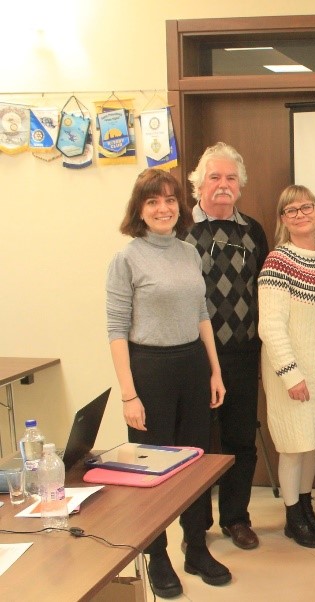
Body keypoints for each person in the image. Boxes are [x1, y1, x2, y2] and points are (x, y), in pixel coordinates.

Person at [106, 169, 231, 598]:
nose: (163, 208)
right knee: (154, 468)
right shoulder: (127, 258)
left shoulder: (187, 252)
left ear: (180, 205)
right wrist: (129, 394)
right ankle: (156, 555)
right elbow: (117, 328)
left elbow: (201, 315)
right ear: (139, 210)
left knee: (195, 462)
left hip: (192, 366)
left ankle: (195, 546)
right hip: (150, 370)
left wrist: (214, 371)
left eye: (170, 200)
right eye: (153, 202)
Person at [183, 142, 269, 550]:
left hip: (241, 352)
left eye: (230, 178)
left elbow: (262, 290)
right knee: (195, 442)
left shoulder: (253, 231)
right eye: (214, 177)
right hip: (193, 354)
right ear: (199, 183)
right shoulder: (180, 230)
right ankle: (195, 524)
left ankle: (236, 518)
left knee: (240, 439)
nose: (222, 185)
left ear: (240, 186)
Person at [258, 185, 315, 549]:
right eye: (290, 210)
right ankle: (293, 517)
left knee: (312, 443)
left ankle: (307, 508)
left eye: (306, 207)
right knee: (293, 445)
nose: (300, 214)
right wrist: (290, 374)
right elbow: (270, 325)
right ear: (282, 220)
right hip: (290, 370)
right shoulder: (277, 261)